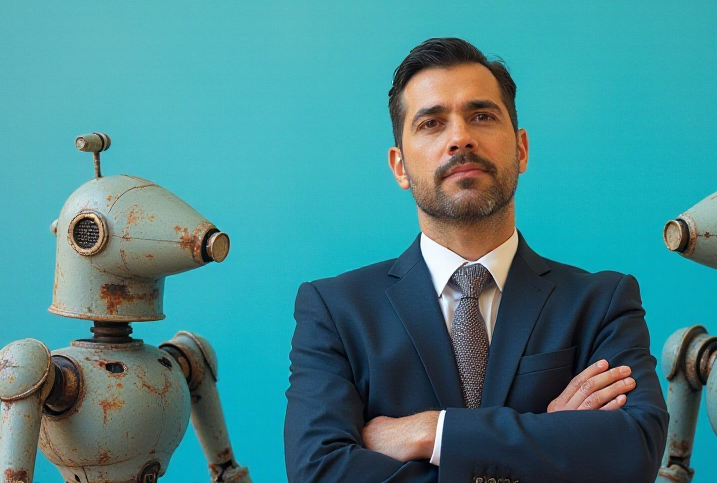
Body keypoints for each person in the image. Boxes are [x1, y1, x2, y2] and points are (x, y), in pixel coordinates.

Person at [285, 38, 667, 483]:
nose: (460, 137)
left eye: (481, 116)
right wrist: (549, 436)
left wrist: (433, 432)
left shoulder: (601, 302)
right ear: (400, 167)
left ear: (521, 149)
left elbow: (633, 451)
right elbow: (319, 472)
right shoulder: (335, 310)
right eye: (431, 123)